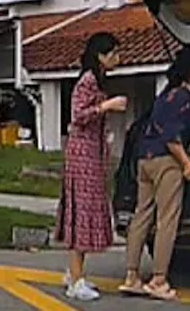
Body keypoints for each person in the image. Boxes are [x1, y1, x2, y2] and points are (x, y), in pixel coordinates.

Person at [119, 45, 190, 301]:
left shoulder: (167, 95)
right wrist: (187, 164)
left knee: (141, 215)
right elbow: (171, 135)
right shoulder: (183, 97)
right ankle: (159, 280)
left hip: (144, 160)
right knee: (167, 219)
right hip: (166, 161)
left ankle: (132, 276)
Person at [55, 31, 128, 301]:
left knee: (84, 214)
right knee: (81, 216)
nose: (117, 59)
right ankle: (76, 279)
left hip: (92, 154)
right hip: (83, 155)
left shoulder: (95, 80)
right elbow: (79, 115)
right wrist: (106, 106)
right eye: (113, 54)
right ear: (100, 56)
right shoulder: (87, 81)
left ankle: (75, 272)